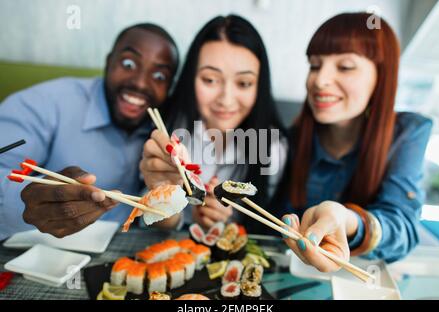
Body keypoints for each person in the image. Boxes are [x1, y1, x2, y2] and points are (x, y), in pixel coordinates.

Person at [278, 13, 432, 272]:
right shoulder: (293, 137)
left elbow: (404, 226)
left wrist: (347, 220)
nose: (320, 80)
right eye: (315, 65)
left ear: (381, 77)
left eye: (345, 66)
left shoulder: (408, 132)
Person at [0, 23, 179, 240]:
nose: (140, 83)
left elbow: (160, 218)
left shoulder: (167, 127)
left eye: (159, 76)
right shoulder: (46, 103)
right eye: (129, 64)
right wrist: (28, 203)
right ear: (108, 62)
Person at [140, 15, 287, 232]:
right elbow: (149, 220)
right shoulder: (167, 128)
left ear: (259, 86)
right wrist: (168, 202)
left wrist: (224, 227)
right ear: (191, 78)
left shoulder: (272, 148)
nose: (226, 99)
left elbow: (261, 225)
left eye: (244, 83)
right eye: (210, 80)